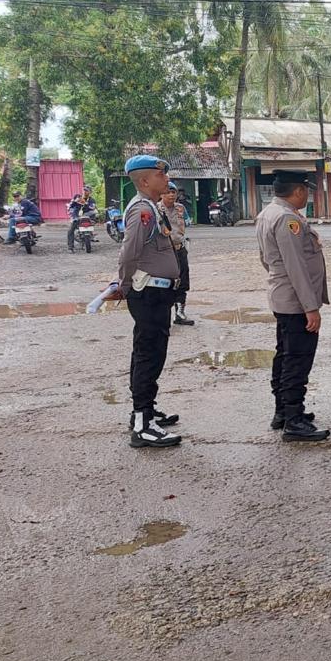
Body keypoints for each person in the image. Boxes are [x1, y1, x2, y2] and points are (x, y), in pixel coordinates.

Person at [256, 170, 331, 443]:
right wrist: (310, 306)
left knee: (285, 355)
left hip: (284, 296)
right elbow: (295, 265)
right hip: (295, 301)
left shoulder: (268, 213)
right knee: (297, 359)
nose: (307, 195)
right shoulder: (287, 219)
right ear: (298, 191)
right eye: (306, 190)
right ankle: (293, 419)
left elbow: (265, 259)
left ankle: (283, 411)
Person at [116, 156, 183, 448]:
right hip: (149, 294)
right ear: (144, 181)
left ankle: (143, 411)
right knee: (149, 355)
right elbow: (129, 252)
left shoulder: (151, 207)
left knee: (147, 352)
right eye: (160, 175)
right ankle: (143, 425)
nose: (166, 179)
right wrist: (124, 284)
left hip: (156, 293)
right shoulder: (142, 210)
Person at [159, 182, 194, 327]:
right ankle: (162, 314)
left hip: (180, 249)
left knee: (182, 281)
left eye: (173, 192)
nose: (171, 195)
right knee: (165, 282)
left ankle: (180, 313)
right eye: (168, 192)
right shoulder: (156, 209)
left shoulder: (181, 208)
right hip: (164, 251)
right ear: (161, 194)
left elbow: (187, 222)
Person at [67, 185, 98, 252]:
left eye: (87, 191)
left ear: (90, 192)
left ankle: (91, 235)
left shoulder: (92, 200)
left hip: (87, 217)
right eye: (84, 190)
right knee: (70, 230)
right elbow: (70, 206)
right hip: (77, 217)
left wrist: (85, 203)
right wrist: (75, 201)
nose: (85, 192)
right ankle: (70, 247)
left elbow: (92, 207)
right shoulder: (77, 196)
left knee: (93, 217)